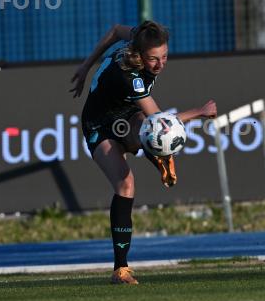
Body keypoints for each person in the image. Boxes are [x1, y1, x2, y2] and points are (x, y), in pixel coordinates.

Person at [70, 21, 217, 284]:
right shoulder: (131, 78)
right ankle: (121, 269)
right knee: (126, 184)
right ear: (139, 55)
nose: (161, 64)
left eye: (165, 56)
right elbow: (162, 122)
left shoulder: (138, 37)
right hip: (98, 126)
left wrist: (85, 66)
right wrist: (200, 111)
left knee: (143, 127)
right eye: (154, 59)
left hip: (127, 115)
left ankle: (157, 154)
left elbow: (115, 30)